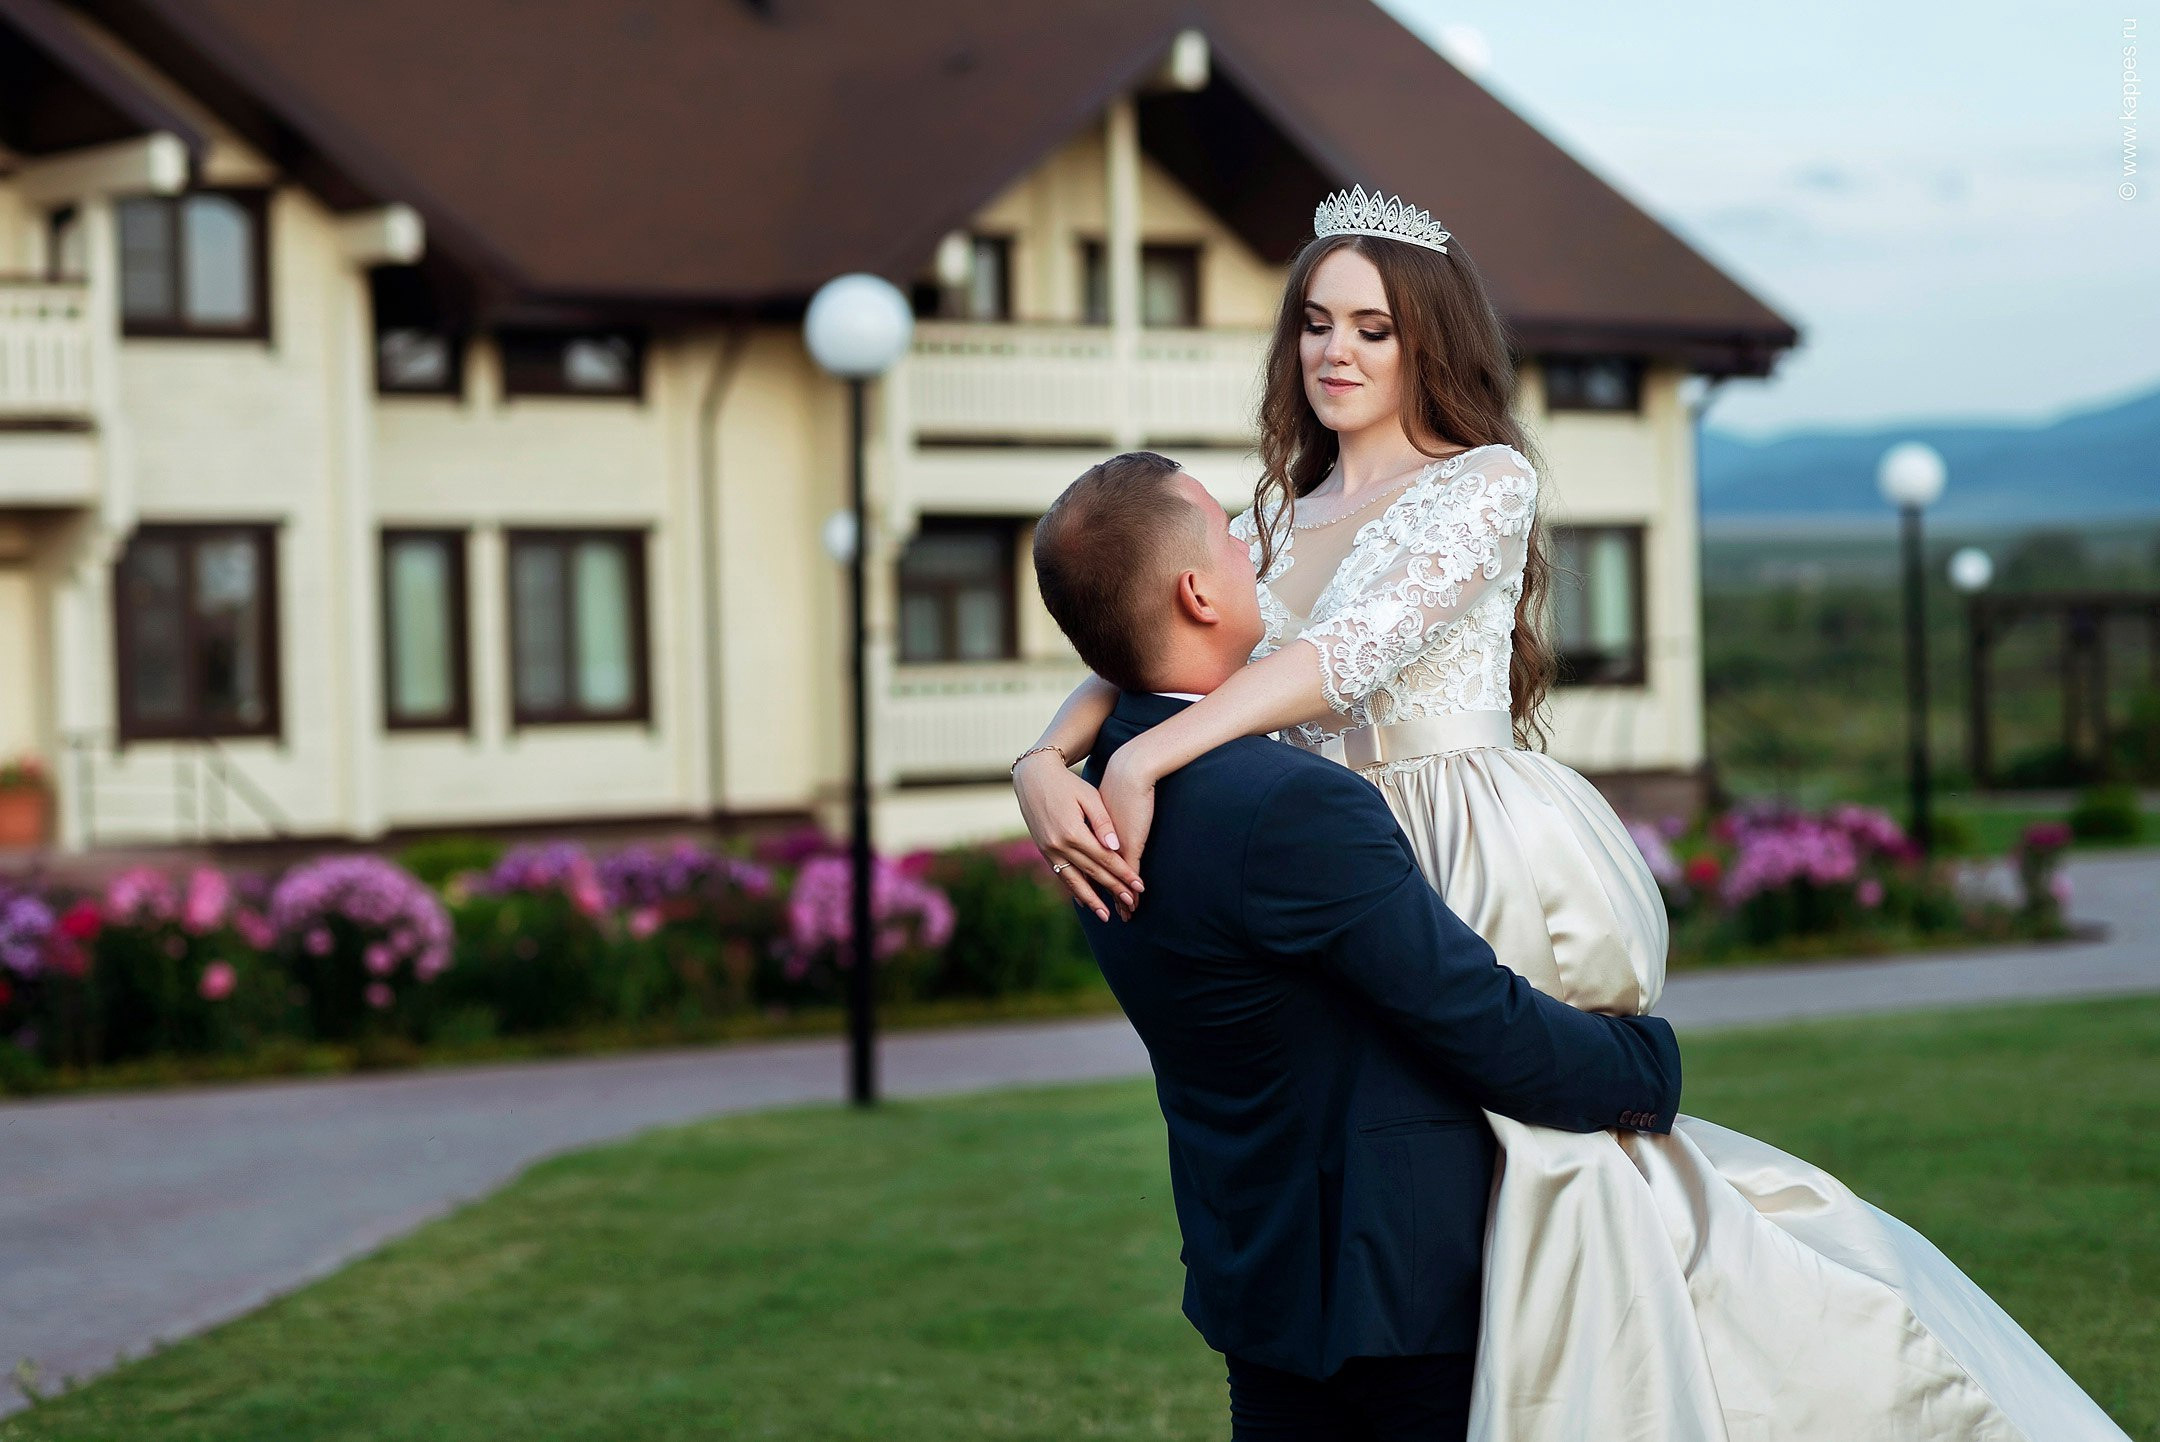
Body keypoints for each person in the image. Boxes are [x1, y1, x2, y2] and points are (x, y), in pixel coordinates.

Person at [1012, 190, 2132, 1441]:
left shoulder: (1481, 482)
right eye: (1316, 323)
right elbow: (1153, 621)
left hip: (1455, 823)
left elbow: (1349, 651)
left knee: (1548, 1160)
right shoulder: (1280, 505)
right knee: (1408, 1161)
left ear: (1429, 341)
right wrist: (1045, 757)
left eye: (1374, 329)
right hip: (1325, 830)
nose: (1336, 351)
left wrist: (1157, 748)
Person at [1030, 450, 1684, 1440]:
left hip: (1256, 1266)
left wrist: (1038, 753)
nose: (1255, 553)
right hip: (1394, 1287)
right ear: (1197, 591)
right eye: (1227, 535)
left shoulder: (1094, 793)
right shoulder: (1294, 805)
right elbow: (1477, 1021)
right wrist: (1647, 1065)